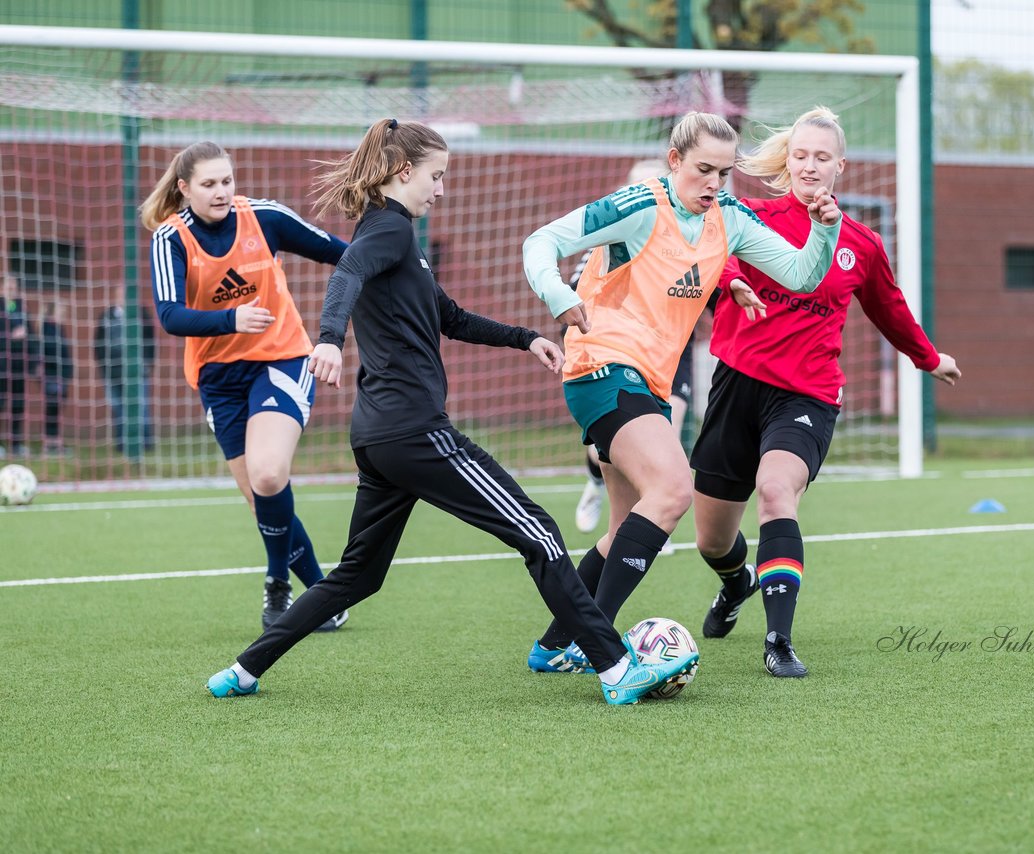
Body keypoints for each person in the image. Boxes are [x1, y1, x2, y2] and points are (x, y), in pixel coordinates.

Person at [205, 118, 696, 705]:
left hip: (379, 436)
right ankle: (617, 669)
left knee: (358, 575)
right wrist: (330, 338)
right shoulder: (385, 232)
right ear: (401, 172)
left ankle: (243, 669)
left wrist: (525, 338)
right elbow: (347, 273)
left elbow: (451, 317)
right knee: (539, 533)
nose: (441, 189)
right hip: (414, 432)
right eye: (435, 177)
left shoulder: (399, 239)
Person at [523, 110, 843, 673]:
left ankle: (552, 645)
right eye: (703, 170)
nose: (714, 184)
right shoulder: (640, 205)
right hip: (601, 366)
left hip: (648, 380)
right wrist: (556, 295)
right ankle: (598, 648)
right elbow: (541, 242)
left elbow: (801, 274)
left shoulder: (728, 218)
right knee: (673, 491)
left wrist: (823, 228)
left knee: (627, 525)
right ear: (675, 162)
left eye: (724, 173)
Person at [691, 107, 962, 678]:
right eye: (800, 155)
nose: (810, 166)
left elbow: (890, 309)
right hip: (736, 385)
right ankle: (736, 581)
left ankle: (779, 641)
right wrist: (731, 281)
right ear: (788, 161)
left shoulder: (860, 243)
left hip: (806, 397)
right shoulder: (752, 218)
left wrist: (928, 358)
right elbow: (708, 260)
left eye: (821, 157)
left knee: (775, 491)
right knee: (712, 539)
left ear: (840, 165)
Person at [141, 141, 350, 631]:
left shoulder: (265, 218)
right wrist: (233, 317)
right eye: (209, 184)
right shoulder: (171, 239)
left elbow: (340, 253)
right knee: (261, 497)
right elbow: (171, 316)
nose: (221, 192)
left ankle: (279, 584)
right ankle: (325, 599)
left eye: (227, 181)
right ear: (184, 188)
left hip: (281, 358)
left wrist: (397, 262)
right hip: (218, 378)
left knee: (270, 474)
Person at [568, 159, 694, 549]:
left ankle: (652, 517)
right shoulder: (604, 247)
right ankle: (598, 485)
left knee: (667, 440)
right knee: (608, 456)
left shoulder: (684, 243)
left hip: (669, 358)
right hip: (615, 357)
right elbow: (573, 305)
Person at [94, 290, 157, 455]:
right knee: (118, 407)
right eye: (121, 294)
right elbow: (98, 343)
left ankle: (145, 443)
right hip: (113, 371)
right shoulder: (107, 316)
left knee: (140, 405)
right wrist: (104, 366)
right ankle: (122, 443)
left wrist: (148, 363)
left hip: (137, 371)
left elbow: (150, 340)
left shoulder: (141, 314)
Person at [0, 275, 33, 458]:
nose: (12, 289)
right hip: (1, 366)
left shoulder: (22, 307)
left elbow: (31, 334)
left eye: (14, 286)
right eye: (8, 286)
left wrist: (34, 361)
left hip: (19, 365)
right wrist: (11, 336)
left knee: (17, 405)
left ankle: (16, 444)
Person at [39, 299, 74, 455]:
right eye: (61, 310)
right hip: (52, 375)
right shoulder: (47, 328)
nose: (64, 313)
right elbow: (48, 351)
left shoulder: (58, 328)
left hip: (61, 376)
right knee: (52, 409)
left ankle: (54, 442)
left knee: (56, 409)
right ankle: (50, 444)